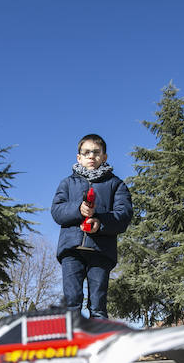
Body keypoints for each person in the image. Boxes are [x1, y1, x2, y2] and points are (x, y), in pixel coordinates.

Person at [51, 134, 133, 319]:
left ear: (104, 157)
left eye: (96, 152)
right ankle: (72, 345)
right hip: (71, 251)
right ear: (78, 157)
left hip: (101, 252)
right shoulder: (67, 183)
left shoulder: (116, 185)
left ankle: (98, 344)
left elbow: (124, 215)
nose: (91, 156)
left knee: (98, 306)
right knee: (72, 304)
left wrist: (100, 223)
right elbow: (57, 211)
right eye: (86, 152)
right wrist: (78, 209)